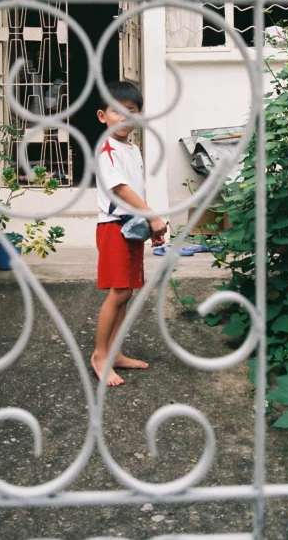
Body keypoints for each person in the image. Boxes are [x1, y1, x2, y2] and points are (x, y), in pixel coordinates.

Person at [91, 81, 167, 387]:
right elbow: (120, 190)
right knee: (118, 292)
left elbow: (136, 192)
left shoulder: (132, 149)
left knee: (127, 292)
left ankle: (116, 352)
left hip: (131, 229)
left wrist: (150, 228)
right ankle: (99, 356)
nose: (124, 117)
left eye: (132, 111)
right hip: (112, 228)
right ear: (102, 116)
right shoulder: (106, 149)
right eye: (117, 111)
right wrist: (154, 217)